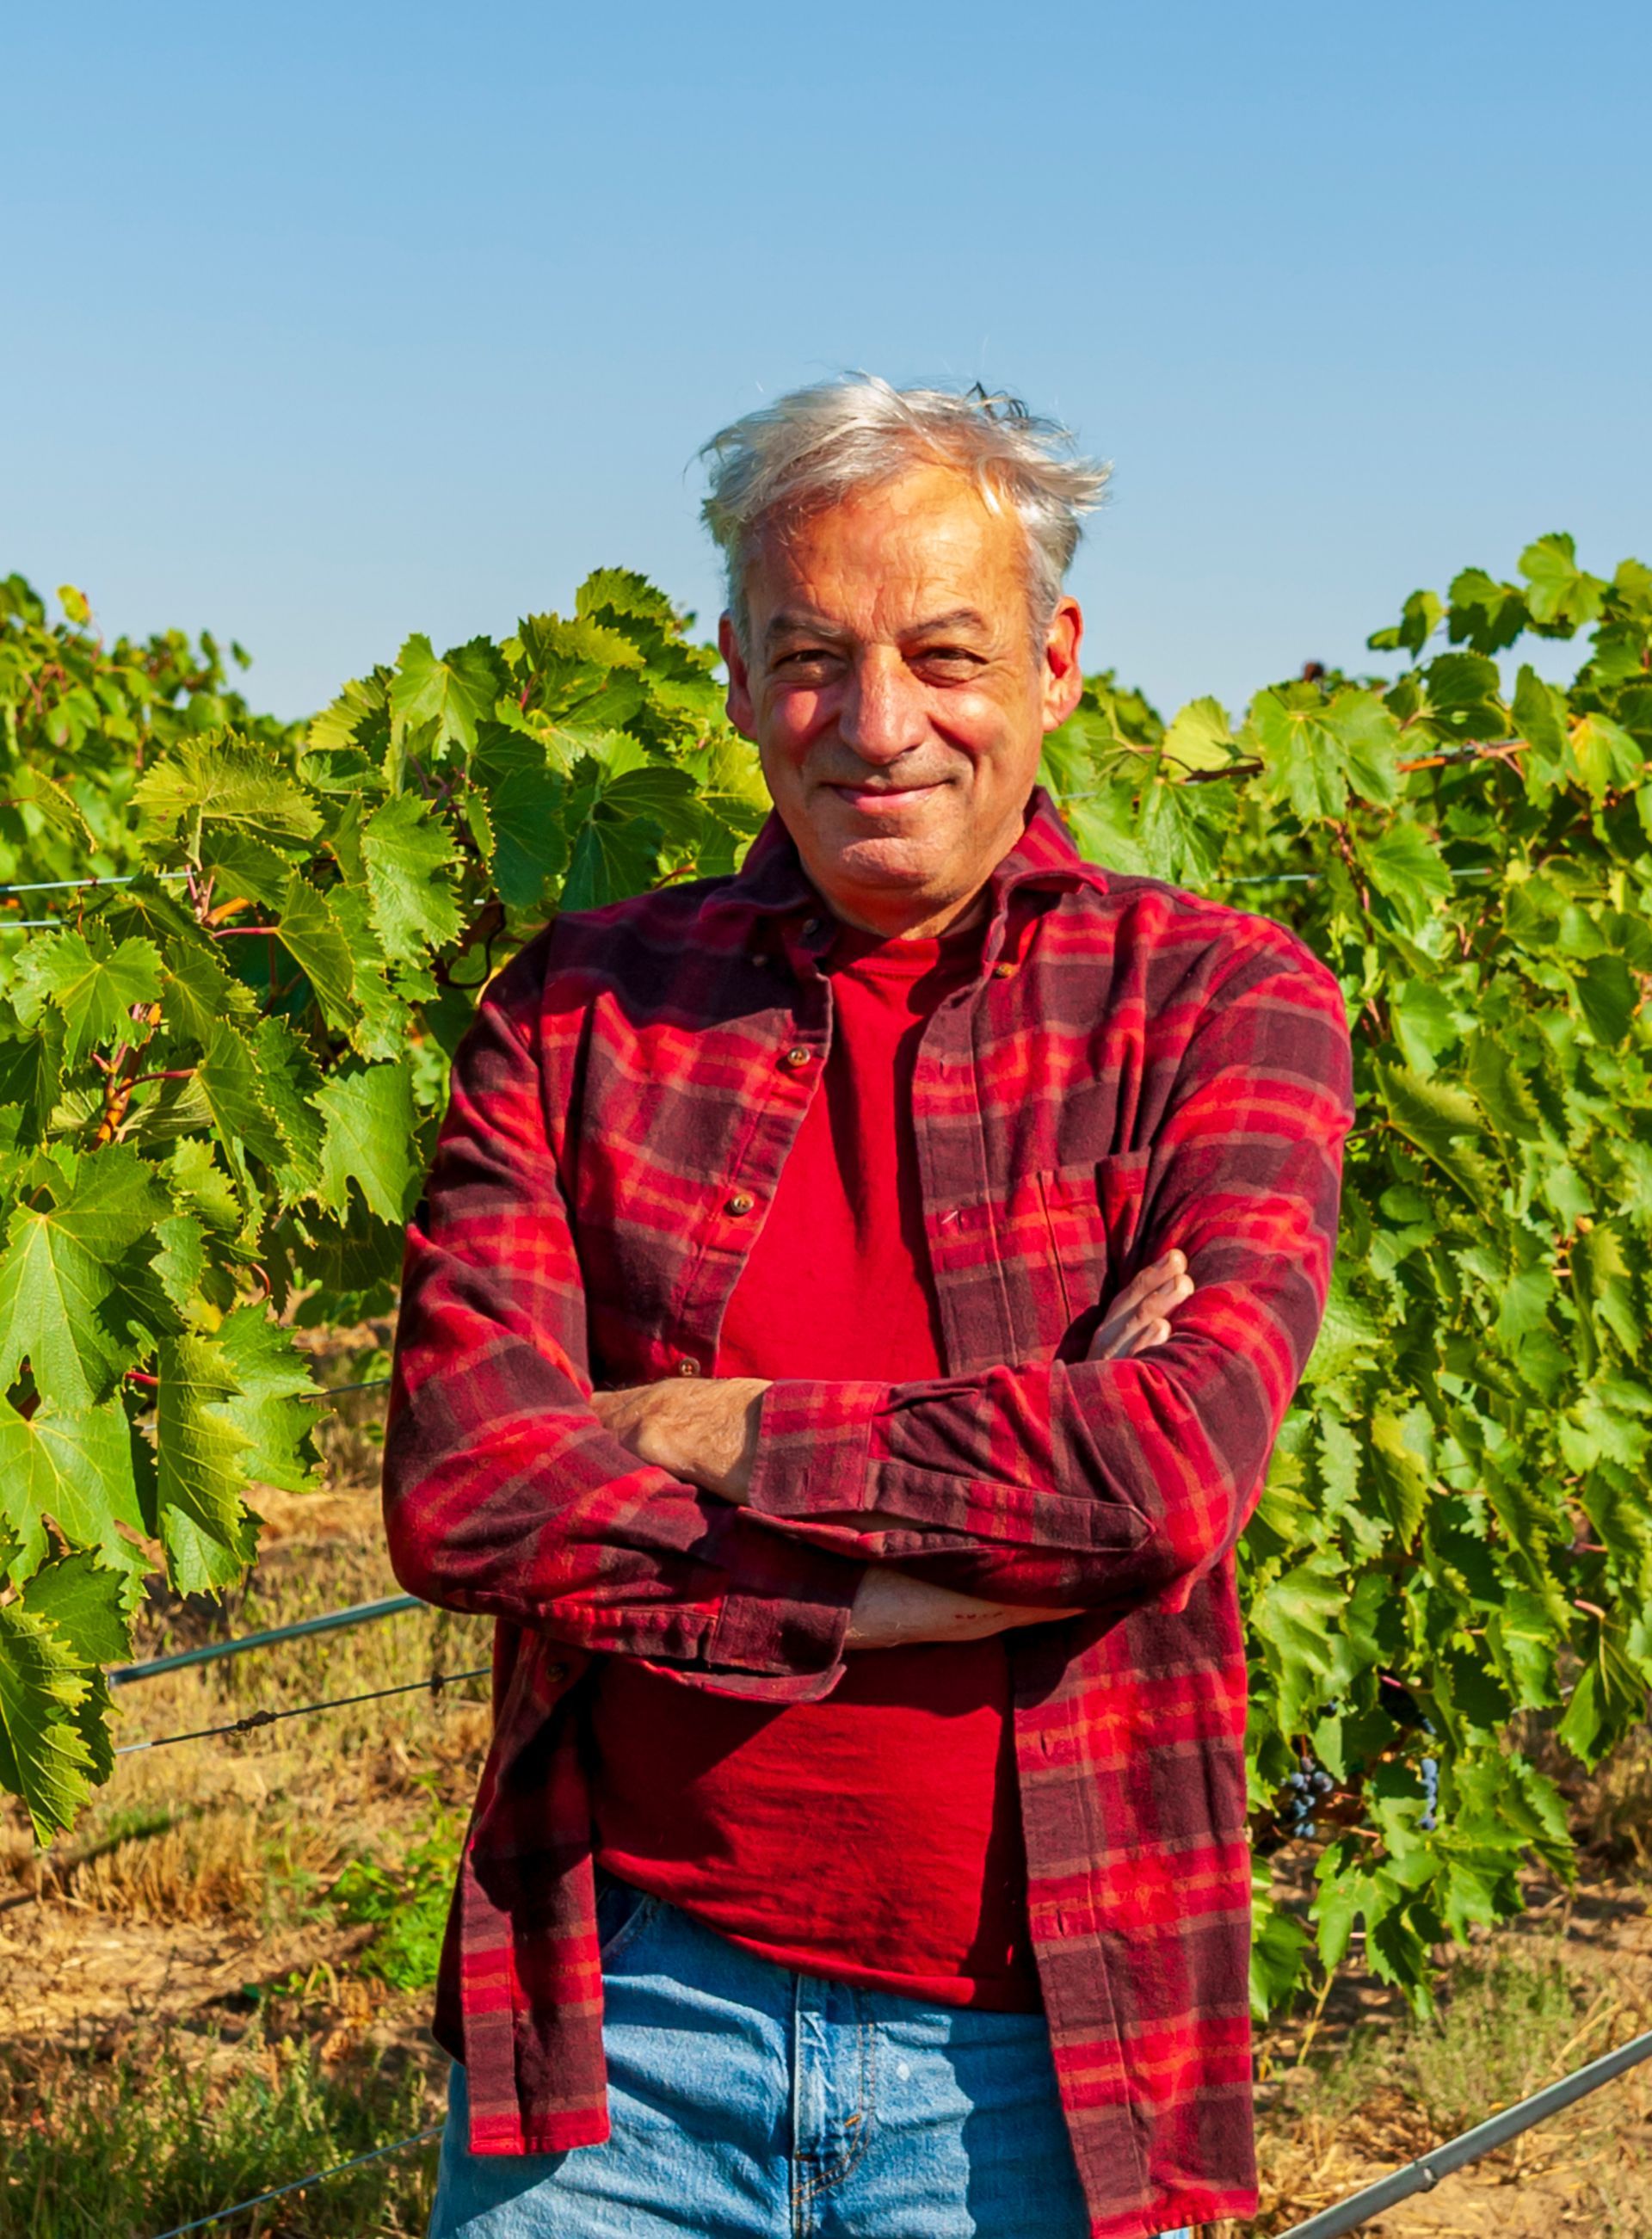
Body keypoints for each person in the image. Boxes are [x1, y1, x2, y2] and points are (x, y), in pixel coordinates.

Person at [385, 375, 1353, 2239]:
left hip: (1032, 2059)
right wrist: (936, 1574)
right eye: (815, 655)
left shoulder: (1219, 1002)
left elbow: (1167, 1469)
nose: (880, 722)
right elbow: (466, 1482)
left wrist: (717, 1420)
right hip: (619, 2031)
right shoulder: (580, 1007)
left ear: (1056, 662)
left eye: (947, 650)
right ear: (739, 670)